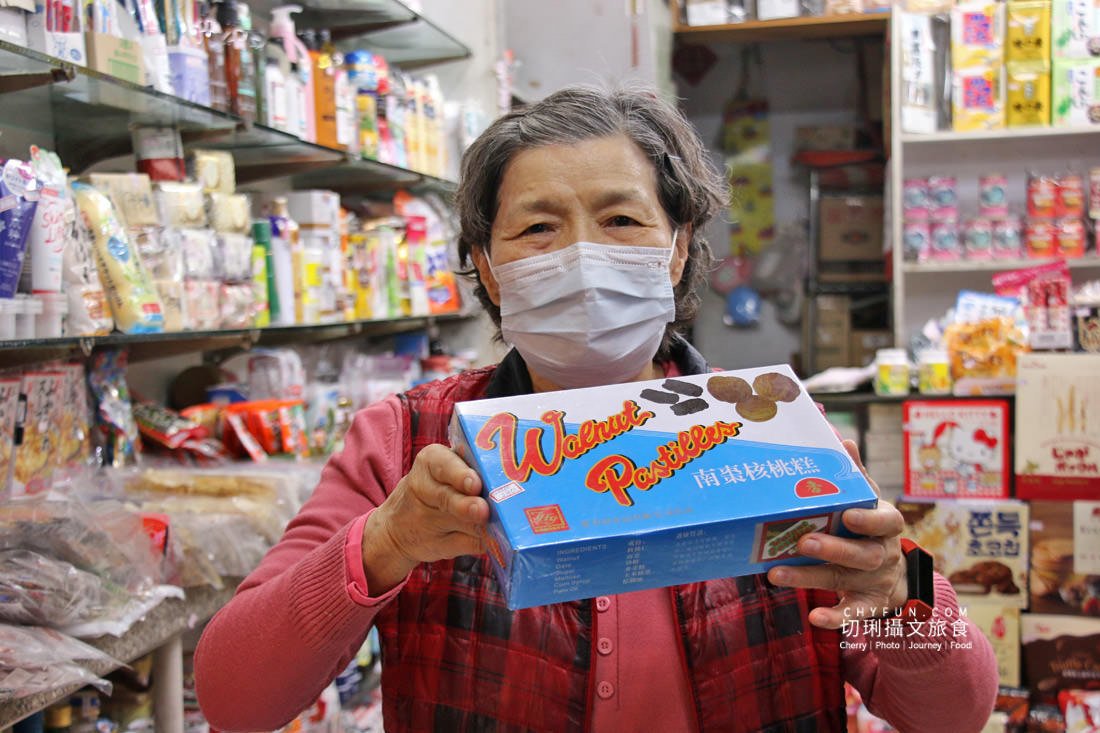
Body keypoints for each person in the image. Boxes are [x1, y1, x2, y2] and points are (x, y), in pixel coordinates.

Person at [195, 86, 998, 732]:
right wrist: (384, 543)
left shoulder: (775, 430)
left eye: (621, 220)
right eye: (538, 227)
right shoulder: (408, 441)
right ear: (485, 262)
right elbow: (235, 697)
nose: (582, 255)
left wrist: (907, 588)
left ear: (677, 244)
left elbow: (956, 712)